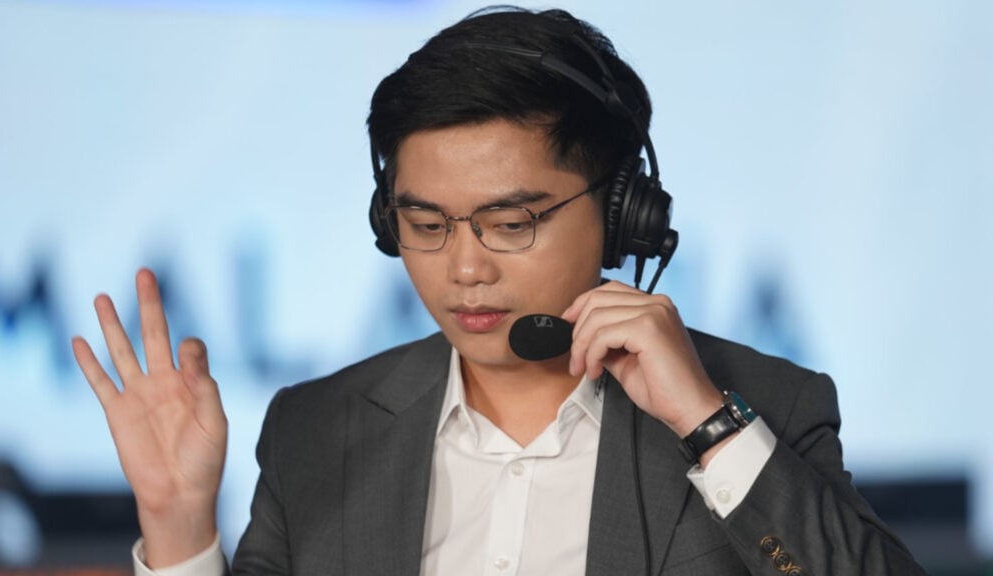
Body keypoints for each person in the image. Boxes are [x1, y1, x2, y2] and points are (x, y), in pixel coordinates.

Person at [72, 6, 928, 575]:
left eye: (511, 223)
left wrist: (708, 428)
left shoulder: (761, 405)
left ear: (622, 215)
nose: (465, 268)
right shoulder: (317, 429)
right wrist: (178, 526)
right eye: (425, 223)